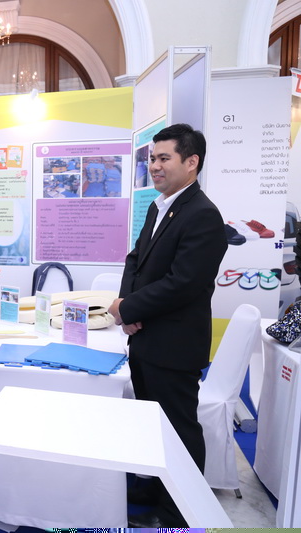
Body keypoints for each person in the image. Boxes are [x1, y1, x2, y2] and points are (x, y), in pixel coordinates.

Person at [108, 123, 227, 528]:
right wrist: (126, 307)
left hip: (174, 345)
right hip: (146, 338)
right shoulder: (160, 206)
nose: (154, 166)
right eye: (152, 159)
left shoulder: (203, 214)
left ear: (191, 162)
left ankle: (179, 512)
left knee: (178, 430)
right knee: (152, 424)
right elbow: (135, 260)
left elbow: (184, 283)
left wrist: (128, 309)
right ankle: (156, 490)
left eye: (164, 158)